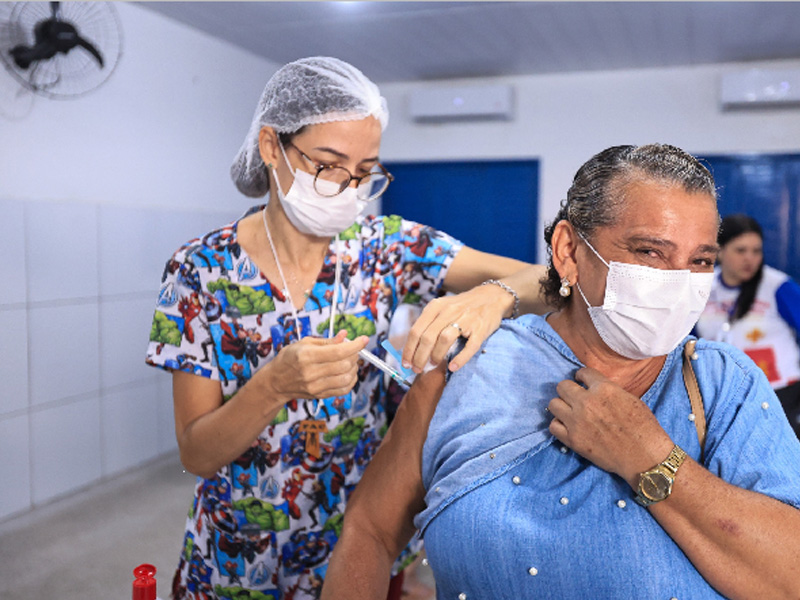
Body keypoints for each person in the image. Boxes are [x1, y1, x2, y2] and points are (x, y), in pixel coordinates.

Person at [145, 56, 547, 600]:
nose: (350, 187)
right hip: (240, 553)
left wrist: (491, 296)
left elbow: (547, 283)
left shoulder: (385, 248)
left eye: (365, 171)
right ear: (272, 148)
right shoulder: (200, 270)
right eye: (329, 165)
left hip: (361, 543)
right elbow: (196, 453)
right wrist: (274, 385)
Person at [321, 144, 800, 600]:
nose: (677, 282)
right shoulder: (464, 370)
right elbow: (370, 531)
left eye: (699, 261)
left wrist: (651, 457)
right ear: (569, 250)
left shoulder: (722, 386)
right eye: (650, 252)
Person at [695, 214, 800, 439]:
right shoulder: (703, 286)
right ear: (719, 251)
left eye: (756, 251)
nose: (750, 259)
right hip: (726, 396)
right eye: (741, 250)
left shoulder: (777, 287)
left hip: (780, 394)